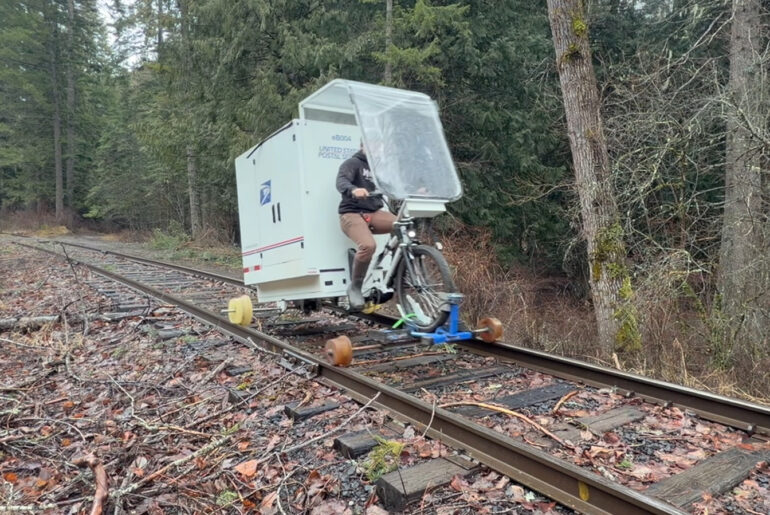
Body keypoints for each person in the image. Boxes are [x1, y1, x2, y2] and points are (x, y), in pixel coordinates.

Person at [336, 142, 396, 311]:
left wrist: (417, 189)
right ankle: (355, 287)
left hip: (373, 212)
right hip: (352, 213)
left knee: (402, 225)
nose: (378, 149)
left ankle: (394, 276)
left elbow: (394, 185)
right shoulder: (352, 163)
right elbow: (341, 181)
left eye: (379, 146)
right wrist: (354, 190)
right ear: (363, 145)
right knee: (368, 245)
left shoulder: (379, 168)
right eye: (374, 146)